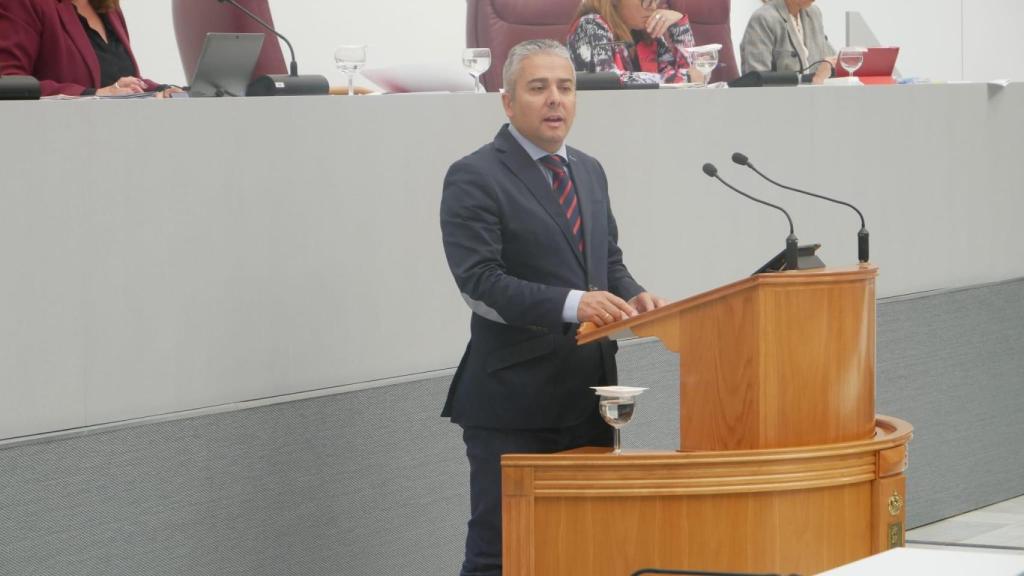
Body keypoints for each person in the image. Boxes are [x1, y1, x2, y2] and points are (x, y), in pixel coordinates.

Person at [439, 39, 667, 576]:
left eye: (565, 87)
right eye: (538, 88)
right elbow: (479, 283)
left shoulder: (588, 169)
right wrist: (575, 303)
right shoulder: (474, 175)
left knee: (583, 545)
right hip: (512, 402)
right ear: (507, 101)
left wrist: (633, 293)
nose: (555, 100)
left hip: (587, 394)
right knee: (503, 550)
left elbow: (604, 259)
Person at [0, 0, 177, 97]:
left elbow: (120, 83)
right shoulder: (23, 3)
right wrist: (93, 94)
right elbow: (9, 84)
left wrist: (164, 90)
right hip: (57, 145)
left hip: (117, 145)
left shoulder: (110, 9)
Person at [566, 0, 703, 85]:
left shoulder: (646, 33)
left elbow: (691, 77)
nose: (652, 6)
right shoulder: (590, 25)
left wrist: (680, 25)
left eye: (655, 0)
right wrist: (683, 78)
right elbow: (608, 80)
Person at [740, 0, 835, 83]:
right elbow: (757, 79)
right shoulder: (763, 19)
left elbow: (832, 60)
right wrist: (815, 78)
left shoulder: (814, 13)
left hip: (815, 98)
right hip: (778, 101)